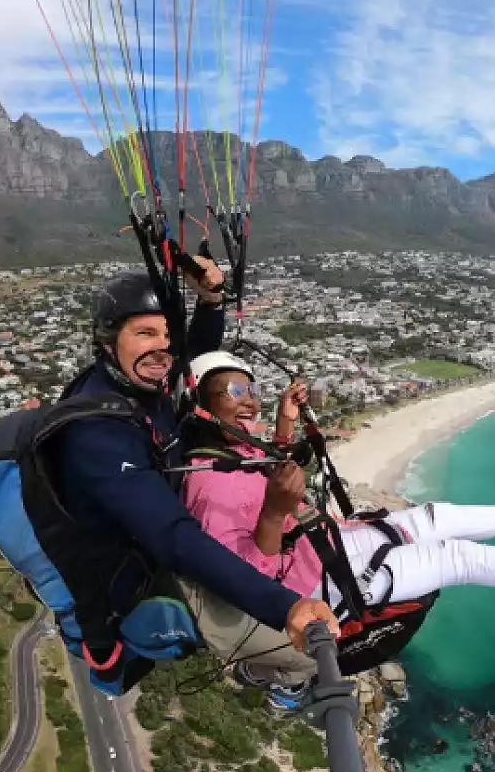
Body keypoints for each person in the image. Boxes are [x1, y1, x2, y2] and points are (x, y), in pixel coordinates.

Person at [181, 352, 495, 701]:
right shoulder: (208, 486)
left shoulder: (235, 451)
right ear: (201, 403)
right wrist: (273, 511)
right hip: (315, 589)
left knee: (436, 516)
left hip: (327, 547)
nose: (250, 401)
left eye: (253, 390)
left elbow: (270, 472)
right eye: (236, 392)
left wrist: (284, 426)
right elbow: (249, 579)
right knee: (457, 557)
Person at [45, 267, 339, 678]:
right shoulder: (97, 434)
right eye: (145, 333)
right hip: (143, 578)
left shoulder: (137, 380)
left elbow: (189, 357)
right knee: (313, 657)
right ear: (108, 340)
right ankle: (259, 673)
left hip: (171, 540)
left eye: (168, 334)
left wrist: (210, 302)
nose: (162, 348)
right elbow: (171, 536)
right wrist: (283, 607)